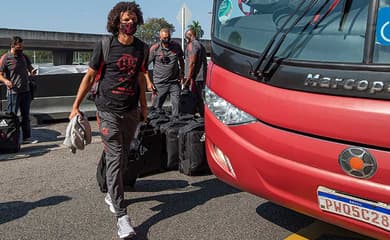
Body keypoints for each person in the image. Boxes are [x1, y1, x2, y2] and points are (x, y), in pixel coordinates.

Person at [68, 2, 148, 239]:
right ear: (116, 22)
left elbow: (141, 79)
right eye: (125, 20)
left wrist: (145, 107)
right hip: (108, 111)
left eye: (133, 19)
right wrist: (75, 106)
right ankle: (122, 217)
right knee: (115, 157)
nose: (129, 23)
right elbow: (90, 76)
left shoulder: (142, 49)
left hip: (130, 111)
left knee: (122, 157)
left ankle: (111, 193)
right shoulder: (105, 45)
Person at [0, 36, 38, 144]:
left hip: (26, 91)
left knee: (25, 116)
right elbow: (0, 75)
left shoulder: (24, 56)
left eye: (22, 45)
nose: (22, 48)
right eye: (19, 46)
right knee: (12, 116)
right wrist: (6, 81)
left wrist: (32, 71)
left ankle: (26, 138)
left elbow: (30, 69)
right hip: (13, 93)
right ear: (13, 45)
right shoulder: (5, 58)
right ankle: (11, 139)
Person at [148, 28, 184, 116]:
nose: (166, 39)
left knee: (177, 106)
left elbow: (181, 61)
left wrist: (182, 74)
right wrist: (148, 82)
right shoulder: (155, 49)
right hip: (159, 84)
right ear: (160, 38)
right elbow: (144, 66)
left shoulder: (176, 46)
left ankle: (175, 123)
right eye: (164, 38)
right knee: (156, 109)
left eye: (168, 37)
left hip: (174, 82)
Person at [183, 29, 207, 117]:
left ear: (189, 36)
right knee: (199, 99)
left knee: (194, 99)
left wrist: (188, 78)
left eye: (186, 37)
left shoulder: (192, 45)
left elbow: (192, 63)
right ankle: (202, 117)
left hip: (195, 77)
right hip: (200, 77)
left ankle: (200, 118)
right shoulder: (200, 44)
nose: (186, 40)